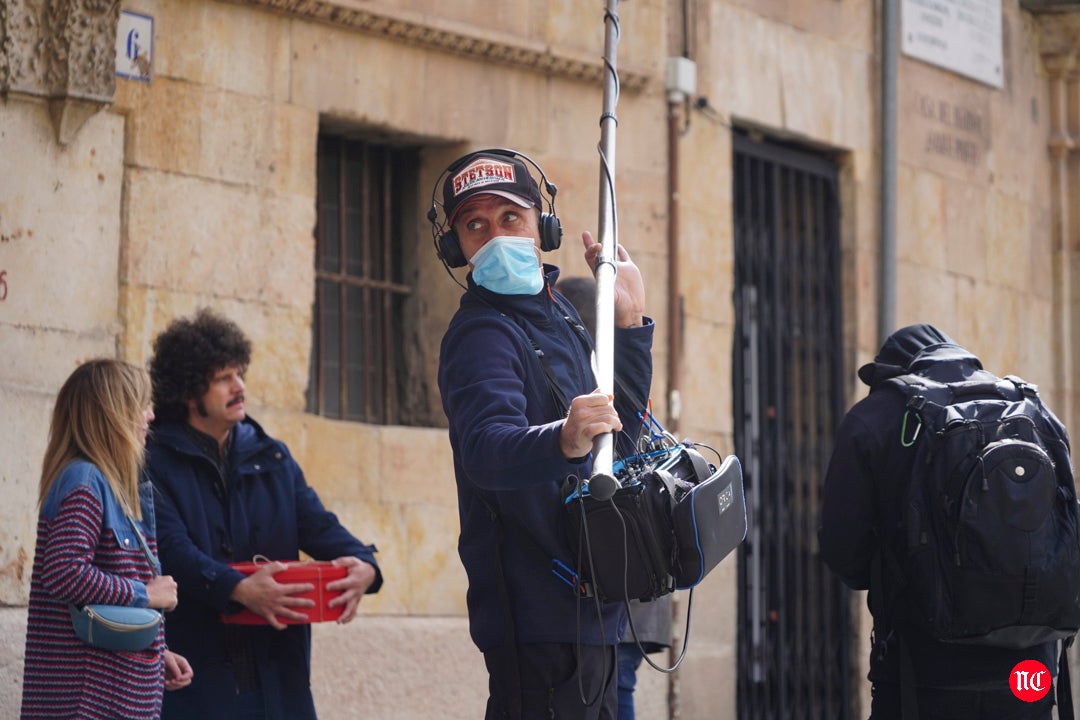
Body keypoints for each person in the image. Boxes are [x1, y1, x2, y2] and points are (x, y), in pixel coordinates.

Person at [434, 148, 655, 719]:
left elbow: (620, 437)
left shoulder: (559, 314)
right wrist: (562, 438)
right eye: (474, 225)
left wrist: (629, 327)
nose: (494, 235)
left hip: (596, 609)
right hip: (536, 621)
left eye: (510, 218)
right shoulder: (480, 334)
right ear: (454, 244)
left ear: (542, 225)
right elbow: (485, 450)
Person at [144, 309, 383, 720]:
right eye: (223, 379)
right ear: (188, 390)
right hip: (196, 684)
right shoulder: (152, 461)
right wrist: (238, 588)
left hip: (279, 681)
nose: (239, 387)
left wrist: (365, 564)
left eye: (240, 374)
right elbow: (171, 549)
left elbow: (319, 525)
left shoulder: (272, 455)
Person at [819, 324, 1060, 719]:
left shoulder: (873, 417)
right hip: (1028, 667)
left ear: (894, 372)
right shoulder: (1031, 407)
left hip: (921, 667)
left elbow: (844, 552)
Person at [21, 359, 193, 719]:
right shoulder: (85, 481)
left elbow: (99, 604)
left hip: (112, 698)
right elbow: (65, 572)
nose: (149, 416)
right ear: (112, 415)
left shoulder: (109, 486)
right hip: (88, 705)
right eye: (140, 405)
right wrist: (146, 593)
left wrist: (152, 648)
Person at [556, 275, 673, 720]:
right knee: (617, 687)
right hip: (637, 584)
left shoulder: (595, 391)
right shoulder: (618, 384)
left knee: (615, 691)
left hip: (622, 583)